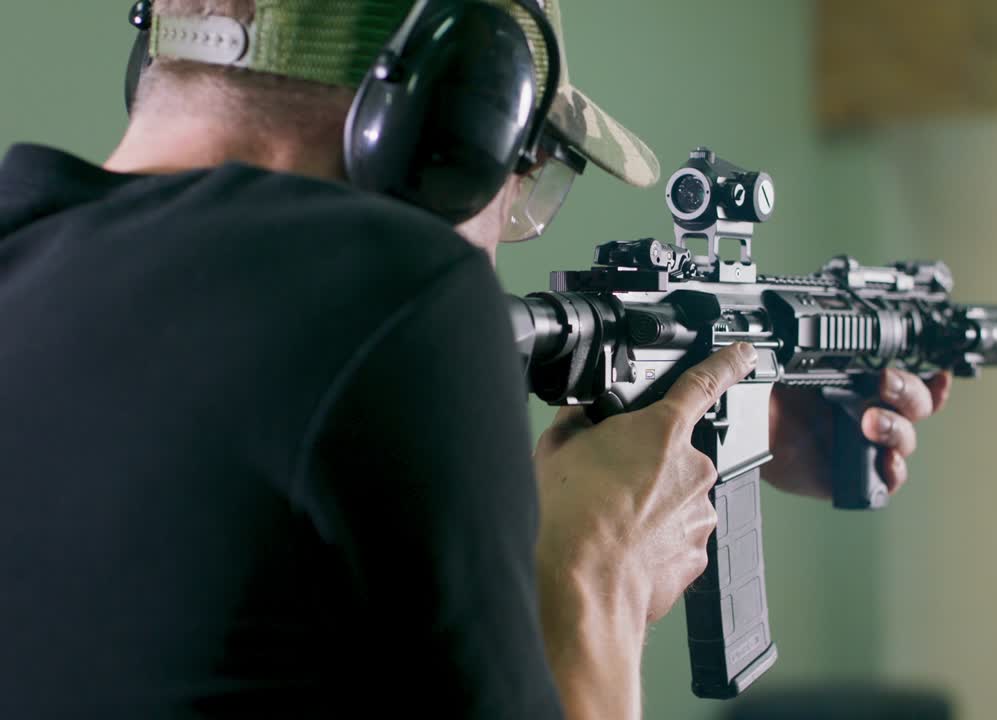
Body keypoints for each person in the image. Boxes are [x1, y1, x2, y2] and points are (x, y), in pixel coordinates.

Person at [0, 0, 949, 717]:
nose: (510, 225)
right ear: (462, 110)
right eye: (530, 169)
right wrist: (594, 576)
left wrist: (728, 439)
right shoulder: (398, 293)